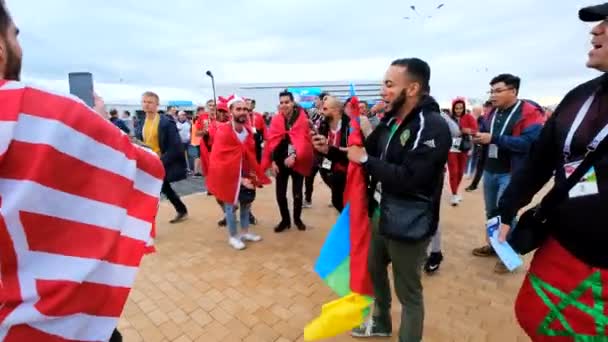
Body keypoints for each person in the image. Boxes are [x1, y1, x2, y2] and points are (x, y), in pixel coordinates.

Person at [0, 3, 164, 341]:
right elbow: (144, 166)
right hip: (52, 323)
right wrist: (100, 124)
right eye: (14, 36)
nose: (20, 47)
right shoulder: (49, 112)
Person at [495, 4, 608, 339]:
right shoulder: (582, 96)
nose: (595, 30)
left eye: (607, 23)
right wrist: (507, 208)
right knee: (534, 319)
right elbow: (540, 161)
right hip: (561, 249)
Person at [344, 58, 451, 341]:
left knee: (409, 293)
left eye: (389, 85)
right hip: (380, 214)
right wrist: (330, 151)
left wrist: (365, 159)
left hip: (409, 222)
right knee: (375, 272)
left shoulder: (433, 126)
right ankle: (381, 323)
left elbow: (411, 178)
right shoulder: (391, 120)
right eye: (383, 84)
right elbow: (364, 153)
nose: (383, 91)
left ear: (413, 88)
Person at [471, 74, 544, 274]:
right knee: (491, 212)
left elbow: (528, 143)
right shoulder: (491, 113)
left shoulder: (530, 112)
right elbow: (485, 132)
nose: (493, 95)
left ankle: (508, 253)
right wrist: (477, 136)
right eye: (491, 91)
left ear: (513, 91)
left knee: (506, 214)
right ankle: (495, 247)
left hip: (512, 172)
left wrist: (494, 138)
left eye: (498, 91)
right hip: (490, 170)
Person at [207, 96, 269, 250]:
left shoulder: (248, 131)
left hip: (246, 173)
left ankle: (245, 232)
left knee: (246, 204)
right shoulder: (223, 131)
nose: (243, 112)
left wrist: (252, 176)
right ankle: (233, 237)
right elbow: (219, 160)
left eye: (245, 109)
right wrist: (239, 179)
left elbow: (250, 155)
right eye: (238, 109)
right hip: (228, 175)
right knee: (231, 207)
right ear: (231, 111)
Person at [262, 90, 314, 232]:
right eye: (281, 102)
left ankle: (297, 219)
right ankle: (285, 220)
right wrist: (272, 161)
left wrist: (293, 156)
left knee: (297, 194)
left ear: (292, 103)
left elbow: (303, 141)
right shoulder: (276, 120)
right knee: (280, 194)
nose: (284, 105)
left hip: (297, 161)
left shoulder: (302, 119)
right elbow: (271, 142)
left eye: (287, 102)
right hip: (280, 162)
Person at [136, 91, 189, 224]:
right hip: (147, 162)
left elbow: (176, 146)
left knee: (153, 191)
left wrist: (161, 161)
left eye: (150, 102)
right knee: (164, 188)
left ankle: (147, 220)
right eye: (144, 101)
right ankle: (181, 209)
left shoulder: (166, 122)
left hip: (161, 162)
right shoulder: (141, 122)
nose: (146, 105)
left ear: (157, 105)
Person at [311, 96, 350, 212]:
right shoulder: (323, 126)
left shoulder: (351, 126)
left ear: (336, 110)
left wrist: (329, 148)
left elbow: (354, 152)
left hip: (348, 172)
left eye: (325, 109)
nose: (321, 112)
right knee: (337, 201)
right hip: (330, 171)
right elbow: (321, 151)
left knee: (345, 203)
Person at [446, 97, 478, 206]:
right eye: (456, 108)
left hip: (464, 147)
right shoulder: (449, 119)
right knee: (453, 171)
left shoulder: (469, 117)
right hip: (451, 147)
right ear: (453, 108)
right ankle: (454, 194)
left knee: (460, 172)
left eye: (460, 108)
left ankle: (456, 190)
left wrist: (466, 130)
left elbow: (475, 130)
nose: (458, 110)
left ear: (464, 108)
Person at [304, 92, 329, 208]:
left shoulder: (328, 116)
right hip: (314, 151)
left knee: (327, 176)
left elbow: (326, 134)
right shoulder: (315, 115)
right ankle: (307, 199)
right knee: (309, 175)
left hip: (325, 152)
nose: (315, 101)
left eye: (317, 99)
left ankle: (336, 196)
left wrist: (314, 129)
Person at [465, 100, 494, 192]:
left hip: (494, 146)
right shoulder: (481, 118)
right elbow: (476, 130)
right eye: (484, 108)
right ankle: (474, 184)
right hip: (482, 146)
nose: (485, 110)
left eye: (487, 108)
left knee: (492, 166)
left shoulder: (494, 118)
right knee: (480, 165)